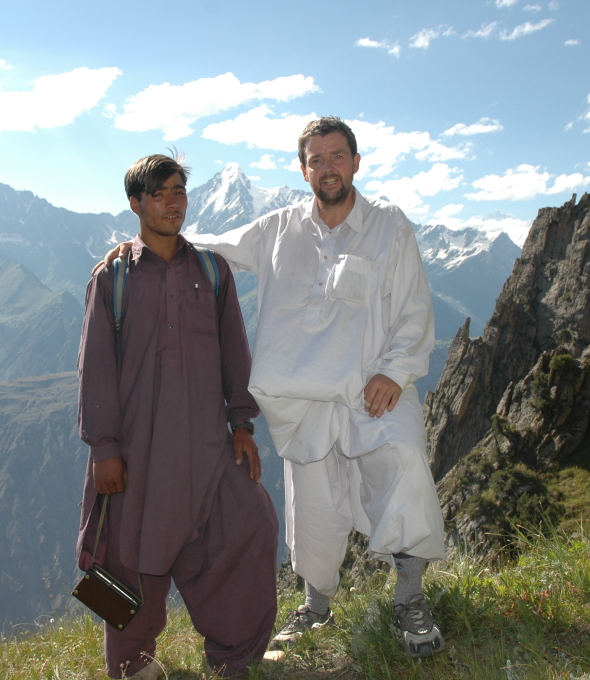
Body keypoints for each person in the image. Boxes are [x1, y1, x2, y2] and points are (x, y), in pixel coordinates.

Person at [104, 118, 446, 658]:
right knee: (312, 508)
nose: (327, 167)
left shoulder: (390, 227)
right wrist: (142, 243)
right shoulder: (281, 227)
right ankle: (316, 606)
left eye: (337, 156)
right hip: (303, 400)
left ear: (356, 163)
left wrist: (396, 371)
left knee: (402, 471)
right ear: (303, 168)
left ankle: (409, 600)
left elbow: (414, 309)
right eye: (316, 158)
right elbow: (215, 246)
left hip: (375, 390)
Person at [76, 154, 278, 679]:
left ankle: (239, 656)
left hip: (208, 448)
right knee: (125, 561)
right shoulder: (113, 277)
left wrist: (242, 424)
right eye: (161, 193)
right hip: (136, 452)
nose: (173, 202)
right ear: (136, 203)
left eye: (180, 192)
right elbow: (95, 366)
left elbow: (236, 350)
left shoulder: (211, 271)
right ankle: (131, 665)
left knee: (249, 526)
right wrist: (105, 449)